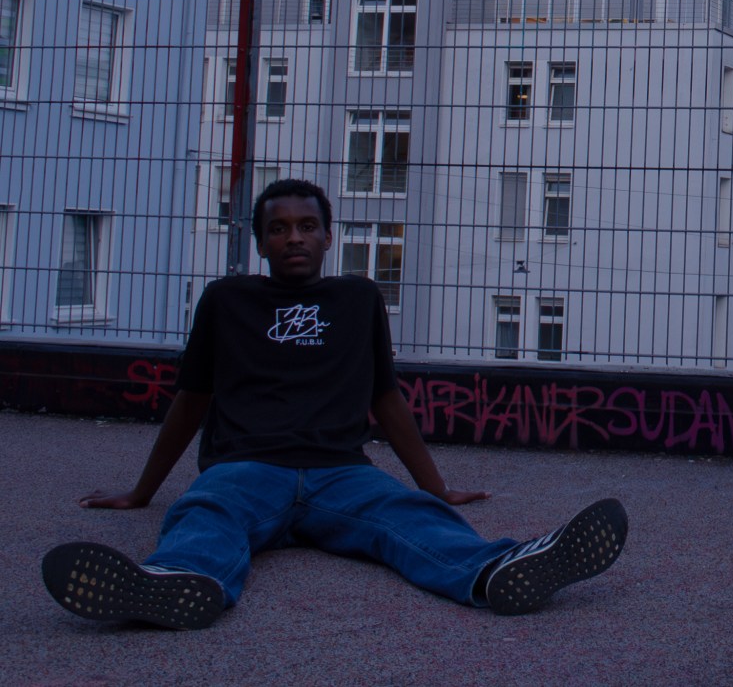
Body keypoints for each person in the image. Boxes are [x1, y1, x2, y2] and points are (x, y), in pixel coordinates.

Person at [42, 179, 627, 630]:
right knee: (207, 512)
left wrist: (435, 487)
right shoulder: (225, 300)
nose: (293, 237)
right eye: (278, 229)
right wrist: (142, 492)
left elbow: (386, 398)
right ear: (260, 241)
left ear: (328, 235)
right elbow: (191, 401)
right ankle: (177, 581)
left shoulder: (357, 298)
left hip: (341, 473)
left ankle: (495, 569)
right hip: (247, 467)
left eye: (306, 226)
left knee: (410, 517)